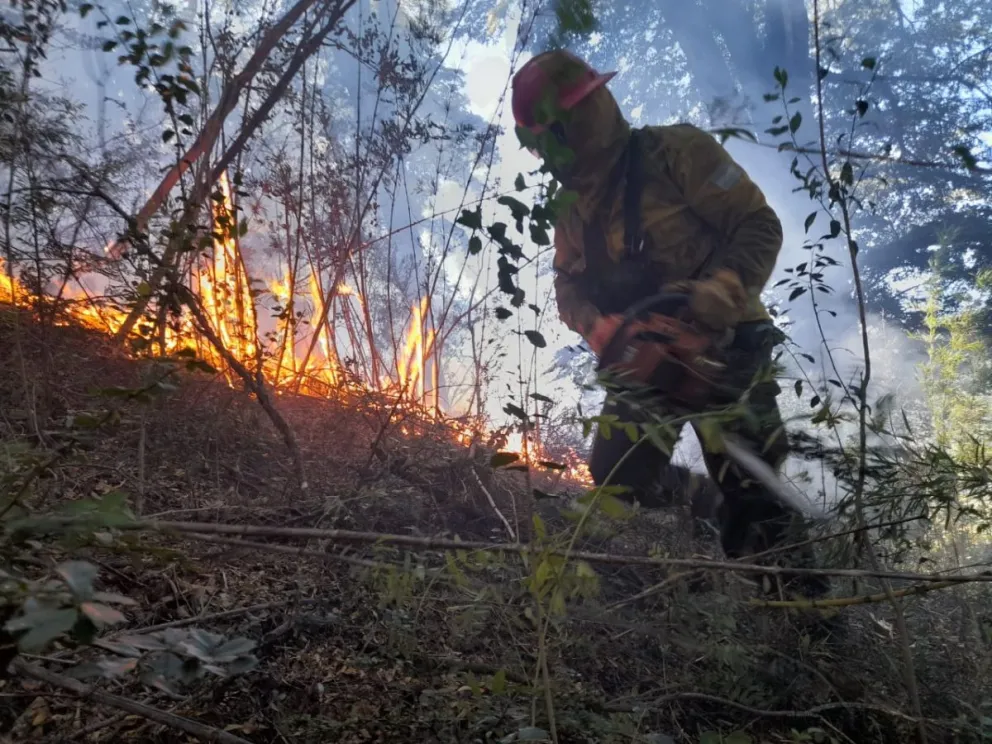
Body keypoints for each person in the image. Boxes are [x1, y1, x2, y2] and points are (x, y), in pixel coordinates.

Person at [511, 49, 828, 597]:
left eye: (562, 128)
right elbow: (568, 285)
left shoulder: (674, 152)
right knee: (615, 476)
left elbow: (758, 225)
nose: (554, 149)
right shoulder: (570, 207)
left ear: (589, 110)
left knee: (755, 496)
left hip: (726, 349)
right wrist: (597, 327)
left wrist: (717, 295)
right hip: (645, 359)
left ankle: (810, 626)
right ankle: (706, 509)